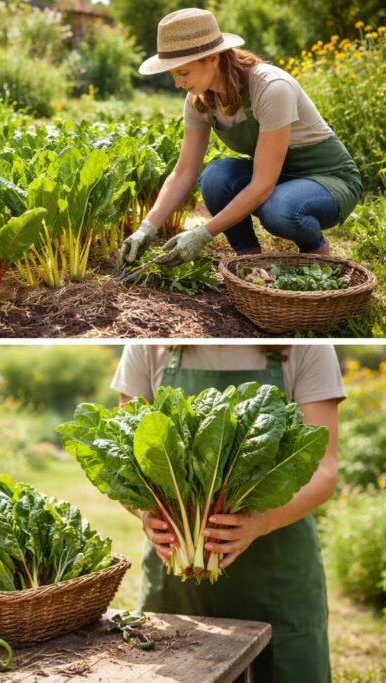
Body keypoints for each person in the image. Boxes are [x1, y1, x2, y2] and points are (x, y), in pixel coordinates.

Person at [111, 344, 343, 682]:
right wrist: (145, 512)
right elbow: (125, 457)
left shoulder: (307, 347)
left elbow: (324, 470)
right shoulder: (146, 347)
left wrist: (260, 521)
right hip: (177, 583)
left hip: (278, 576)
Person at [119, 8, 363, 270]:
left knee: (280, 210)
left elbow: (262, 186)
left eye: (184, 72)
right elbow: (184, 171)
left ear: (212, 58)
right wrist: (147, 227)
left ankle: (316, 251)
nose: (178, 83)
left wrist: (202, 234)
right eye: (173, 74)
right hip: (279, 176)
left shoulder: (271, 88)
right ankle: (248, 259)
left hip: (328, 179)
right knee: (214, 177)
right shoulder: (199, 100)